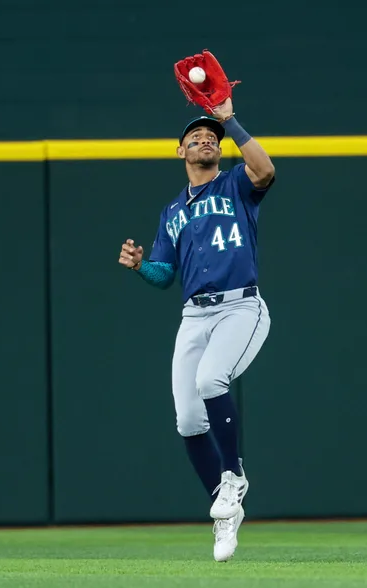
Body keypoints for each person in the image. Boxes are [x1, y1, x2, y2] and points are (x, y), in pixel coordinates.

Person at [117, 97, 275, 562]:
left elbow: (264, 171)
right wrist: (141, 265)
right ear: (181, 152)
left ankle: (234, 475)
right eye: (196, 137)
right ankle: (225, 510)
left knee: (210, 380)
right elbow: (165, 276)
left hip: (240, 308)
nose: (205, 139)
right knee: (187, 418)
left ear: (220, 151)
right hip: (195, 315)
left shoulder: (235, 186)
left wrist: (229, 119)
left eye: (212, 137)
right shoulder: (171, 212)